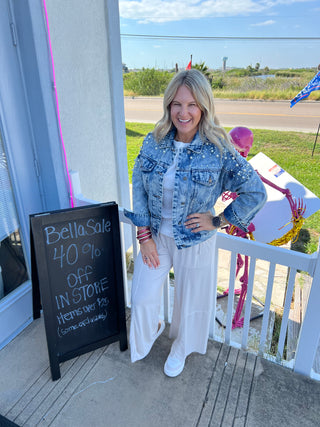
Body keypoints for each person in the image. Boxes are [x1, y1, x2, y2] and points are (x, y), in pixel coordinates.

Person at [124, 69, 267, 377]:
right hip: (157, 240)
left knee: (189, 305)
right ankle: (154, 328)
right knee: (142, 297)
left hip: (194, 240)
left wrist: (218, 219)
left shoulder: (219, 150)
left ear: (203, 106)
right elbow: (138, 183)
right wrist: (144, 235)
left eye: (191, 105)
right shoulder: (154, 141)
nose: (183, 112)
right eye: (176, 104)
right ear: (168, 106)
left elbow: (255, 192)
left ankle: (181, 348)